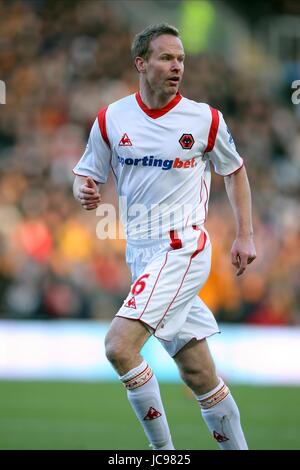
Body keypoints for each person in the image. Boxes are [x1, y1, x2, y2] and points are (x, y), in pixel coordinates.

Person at [73, 23, 256, 450]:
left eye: (181, 60)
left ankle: (163, 456)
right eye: (167, 58)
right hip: (141, 253)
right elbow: (87, 171)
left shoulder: (205, 119)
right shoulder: (111, 118)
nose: (177, 67)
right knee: (199, 374)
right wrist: (82, 186)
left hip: (183, 247)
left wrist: (245, 235)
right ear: (141, 63)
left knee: (119, 347)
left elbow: (235, 171)